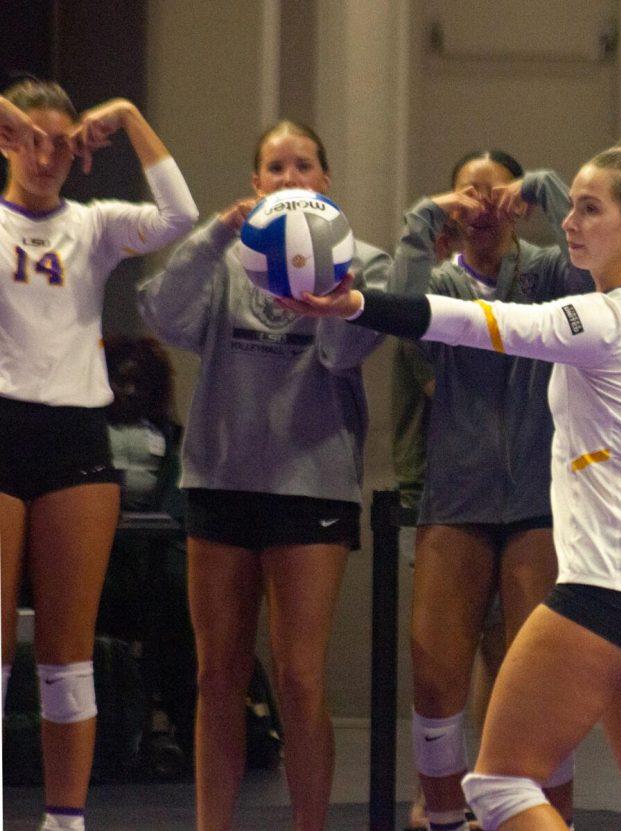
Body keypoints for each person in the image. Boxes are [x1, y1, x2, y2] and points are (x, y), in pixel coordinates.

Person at [287, 145, 621, 831]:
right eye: (571, 205)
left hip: (609, 588)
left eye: (589, 208)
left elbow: (478, 323)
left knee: (501, 783)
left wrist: (357, 303)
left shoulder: (606, 319)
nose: (570, 220)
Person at [137, 120, 390, 831]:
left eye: (303, 165)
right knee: (217, 675)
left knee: (301, 676)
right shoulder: (222, 261)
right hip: (219, 479)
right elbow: (161, 313)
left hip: (311, 486)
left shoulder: (360, 260)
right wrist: (221, 233)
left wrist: (333, 284)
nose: (289, 178)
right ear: (256, 185)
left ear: (325, 181)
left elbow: (344, 355)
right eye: (274, 167)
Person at [0, 80, 197, 831]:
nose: (46, 155)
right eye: (30, 138)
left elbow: (179, 213)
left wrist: (130, 119)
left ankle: (65, 819)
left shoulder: (95, 225)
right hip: (2, 426)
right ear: (9, 140)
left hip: (77, 438)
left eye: (61, 142)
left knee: (66, 652)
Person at [390, 151, 590, 830]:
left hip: (537, 501)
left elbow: (589, 260)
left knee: (539, 685)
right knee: (435, 679)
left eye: (492, 191)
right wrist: (425, 218)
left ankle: (548, 822)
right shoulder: (441, 278)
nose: (479, 205)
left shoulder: (546, 272)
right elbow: (399, 313)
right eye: (466, 193)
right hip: (456, 500)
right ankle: (443, 817)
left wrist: (543, 187)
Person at [98, 334, 192, 779]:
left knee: (178, 593)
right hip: (101, 551)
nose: (129, 392)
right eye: (121, 382)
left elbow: (179, 503)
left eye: (139, 384)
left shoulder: (174, 439)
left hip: (156, 556)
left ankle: (166, 720)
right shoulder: (87, 434)